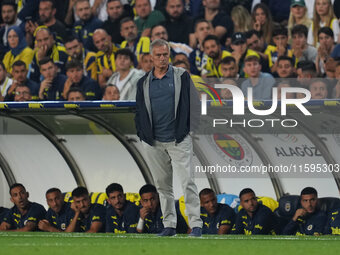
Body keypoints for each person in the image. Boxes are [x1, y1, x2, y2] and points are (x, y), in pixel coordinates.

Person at [135, 39, 202, 237]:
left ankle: (195, 224)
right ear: (151, 58)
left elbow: (195, 104)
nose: (163, 58)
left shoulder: (182, 76)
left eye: (165, 54)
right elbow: (139, 111)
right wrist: (143, 134)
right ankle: (169, 225)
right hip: (153, 141)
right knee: (163, 186)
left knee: (187, 181)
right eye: (158, 55)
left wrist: (190, 129)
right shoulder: (144, 82)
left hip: (178, 139)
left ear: (169, 55)